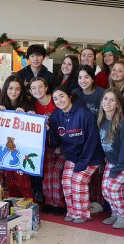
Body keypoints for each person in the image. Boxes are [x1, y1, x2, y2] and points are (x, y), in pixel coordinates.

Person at [49, 86, 104, 223]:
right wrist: (48, 130)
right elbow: (55, 140)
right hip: (72, 156)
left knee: (78, 180)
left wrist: (83, 162)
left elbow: (92, 140)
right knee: (66, 181)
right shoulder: (56, 115)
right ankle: (72, 211)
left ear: (69, 96)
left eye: (62, 96)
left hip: (90, 156)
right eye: (55, 98)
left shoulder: (84, 113)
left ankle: (82, 213)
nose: (59, 100)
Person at [30, 77, 66, 214]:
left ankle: (59, 203)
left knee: (56, 173)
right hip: (45, 146)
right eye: (34, 88)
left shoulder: (56, 100)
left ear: (46, 88)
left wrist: (61, 145)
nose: (37, 90)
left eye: (40, 87)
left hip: (62, 144)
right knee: (47, 174)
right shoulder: (32, 105)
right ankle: (49, 201)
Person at [98, 88, 124, 229]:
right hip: (110, 163)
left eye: (112, 100)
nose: (108, 102)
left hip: (123, 164)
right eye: (105, 99)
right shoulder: (101, 120)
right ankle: (115, 213)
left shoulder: (122, 124)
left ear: (118, 104)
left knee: (114, 190)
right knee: (105, 190)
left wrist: (117, 169)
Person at [73, 65, 106, 210]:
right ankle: (86, 201)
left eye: (86, 77)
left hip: (99, 137)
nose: (83, 80)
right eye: (80, 77)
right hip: (81, 139)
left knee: (97, 173)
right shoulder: (75, 93)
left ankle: (99, 202)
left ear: (93, 79)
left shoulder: (101, 93)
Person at [0, 76, 34, 199]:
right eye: (11, 88)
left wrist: (27, 115)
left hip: (21, 151)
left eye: (17, 89)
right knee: (10, 179)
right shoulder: (1, 104)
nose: (13, 92)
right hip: (6, 150)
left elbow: (33, 125)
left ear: (21, 90)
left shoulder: (27, 105)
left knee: (22, 179)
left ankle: (29, 204)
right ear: (6, 89)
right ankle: (15, 205)